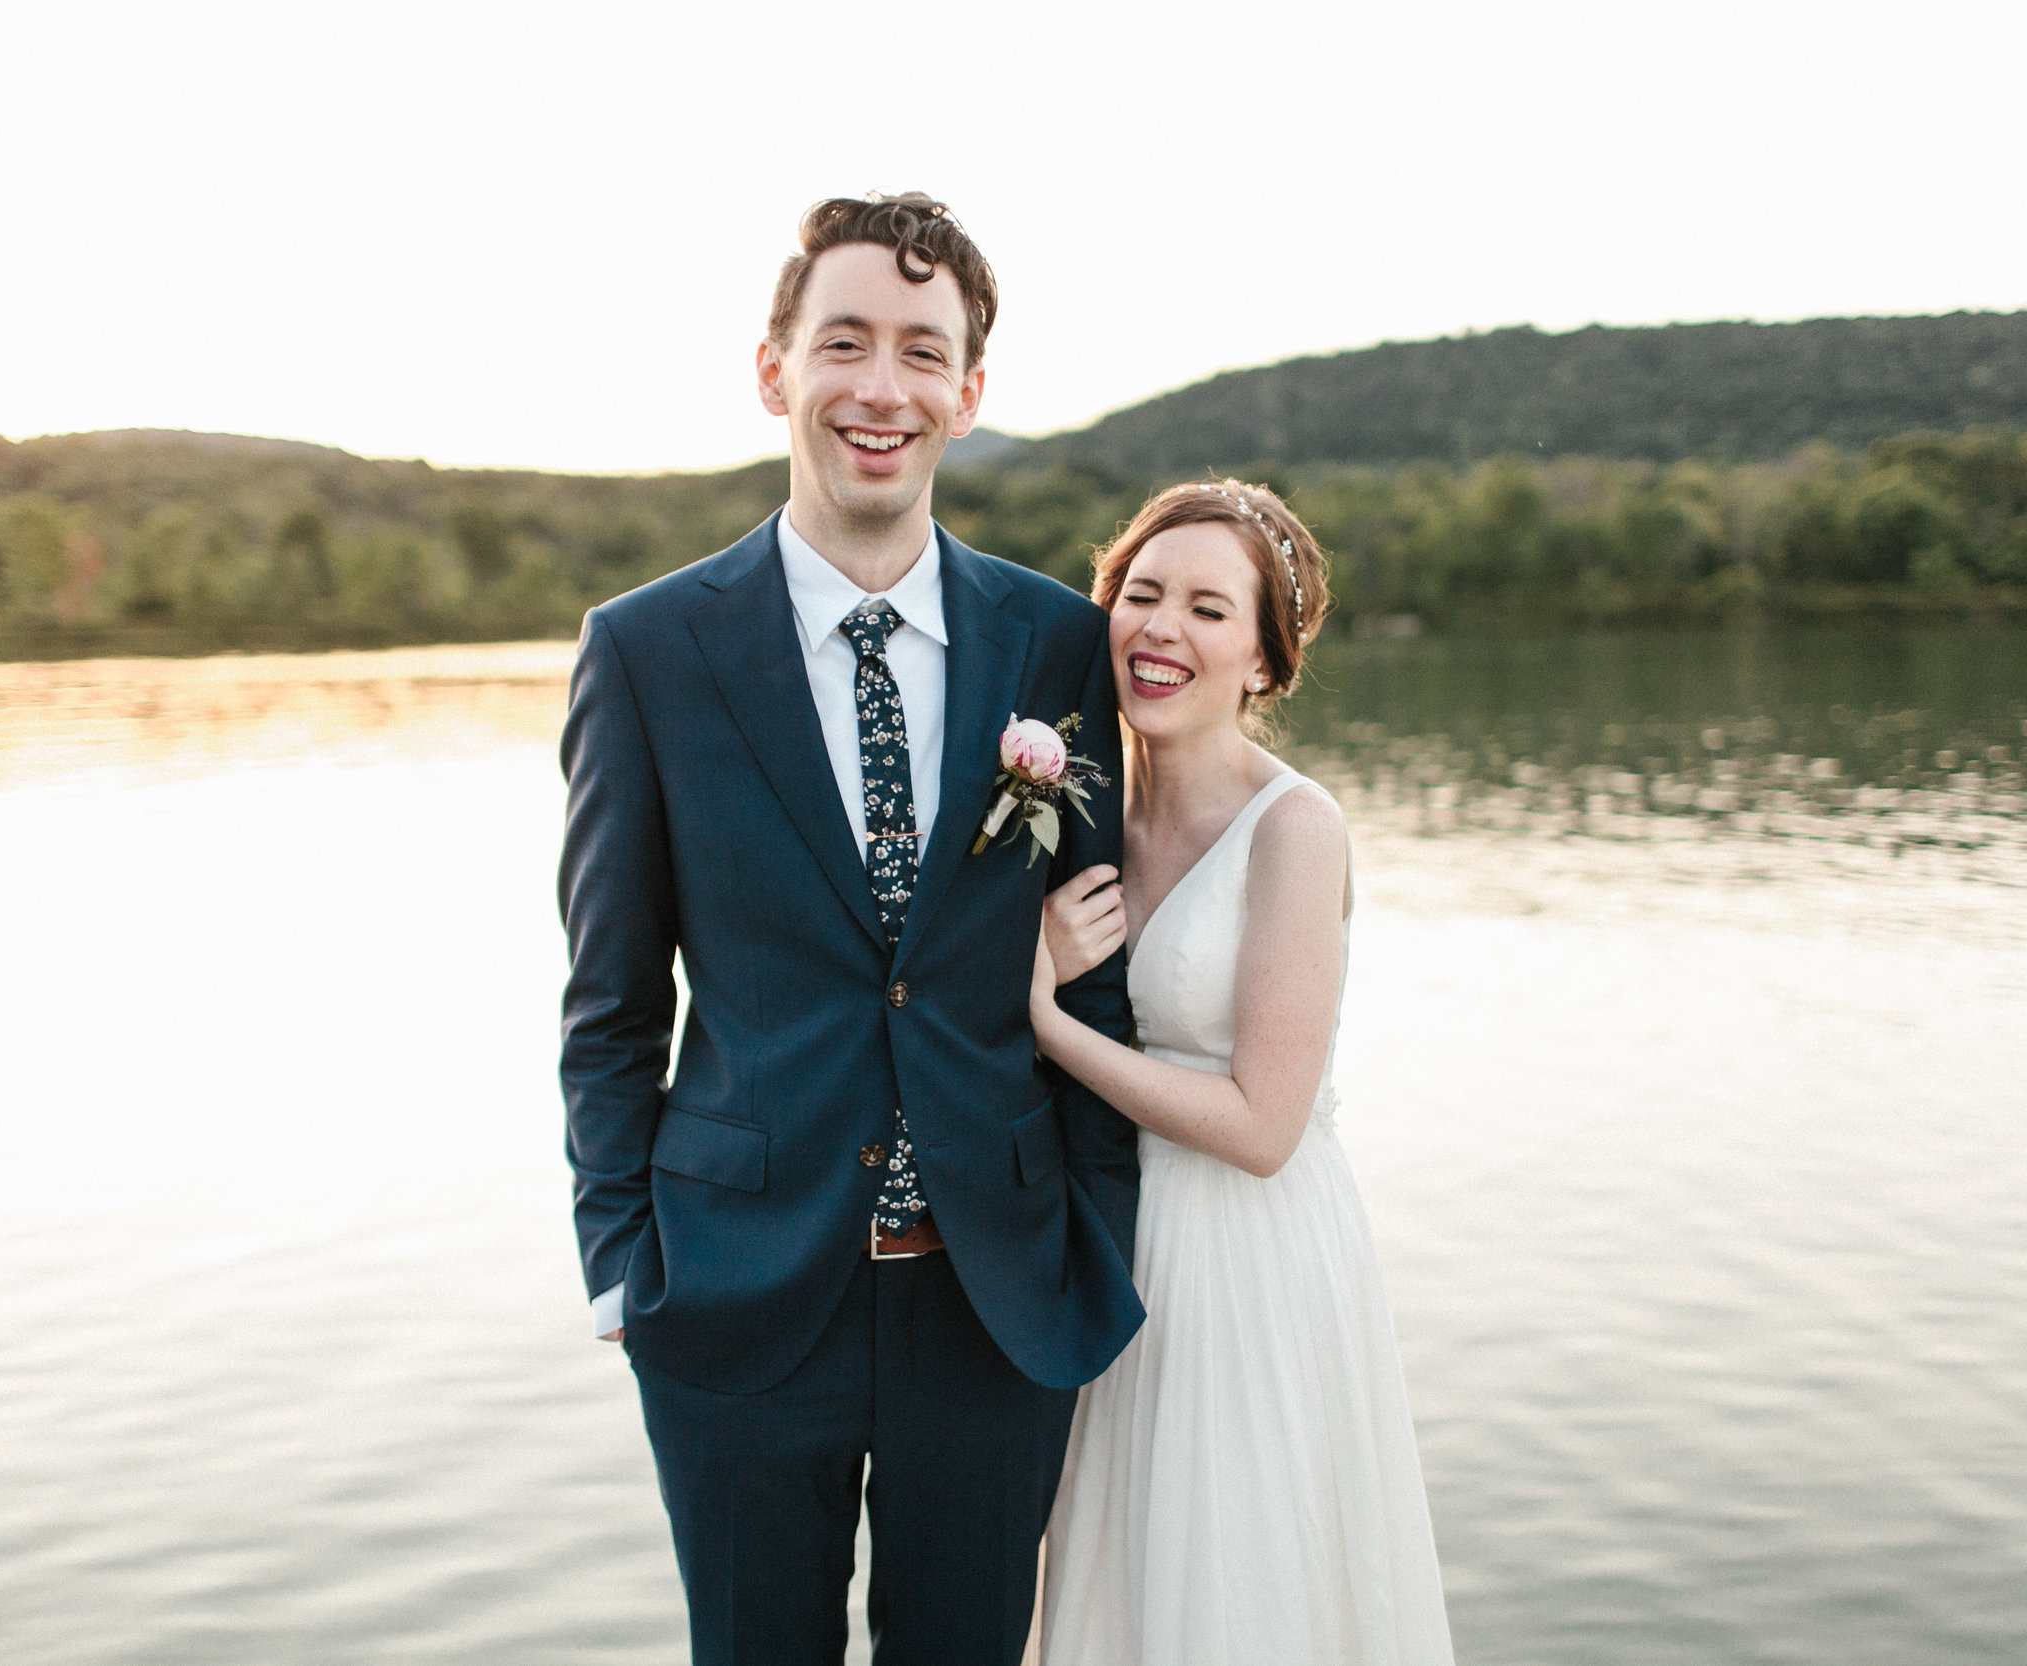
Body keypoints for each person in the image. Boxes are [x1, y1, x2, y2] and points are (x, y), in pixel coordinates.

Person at [557, 193, 1144, 1665]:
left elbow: (1103, 970)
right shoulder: (645, 652)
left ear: (969, 392)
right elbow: (611, 1000)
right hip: (737, 1299)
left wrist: (1096, 1230)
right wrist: (626, 1263)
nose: (882, 389)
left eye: (922, 353)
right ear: (776, 371)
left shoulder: (1056, 643)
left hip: (996, 1298)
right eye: (846, 344)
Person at [1029, 481, 1458, 1664]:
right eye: (1142, 595)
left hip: (1245, 1250)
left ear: (1263, 662)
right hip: (1112, 1234)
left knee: (1235, 1586)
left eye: (1209, 609)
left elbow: (1265, 1122)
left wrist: (1048, 1022)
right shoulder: (1079, 806)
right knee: (1119, 1584)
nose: (1162, 629)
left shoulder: (1294, 827)